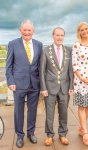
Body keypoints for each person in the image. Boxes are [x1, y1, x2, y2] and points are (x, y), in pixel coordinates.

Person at [5, 20, 42, 148]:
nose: (27, 32)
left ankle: (31, 133)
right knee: (18, 111)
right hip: (18, 84)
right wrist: (10, 81)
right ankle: (19, 135)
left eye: (29, 30)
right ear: (20, 30)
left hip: (34, 85)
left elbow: (40, 66)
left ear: (33, 31)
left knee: (32, 111)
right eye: (24, 30)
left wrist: (42, 84)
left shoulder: (39, 45)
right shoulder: (13, 44)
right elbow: (8, 66)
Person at [40, 27, 73, 146]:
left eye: (62, 35)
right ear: (53, 36)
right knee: (49, 113)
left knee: (63, 112)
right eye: (57, 35)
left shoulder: (69, 50)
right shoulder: (45, 50)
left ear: (64, 36)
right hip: (49, 88)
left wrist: (72, 86)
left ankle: (63, 134)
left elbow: (71, 70)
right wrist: (43, 88)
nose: (59, 37)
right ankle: (49, 135)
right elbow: (42, 70)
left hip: (65, 87)